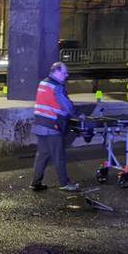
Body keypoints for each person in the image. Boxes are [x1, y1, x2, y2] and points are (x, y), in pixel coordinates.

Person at [31, 61, 80, 192]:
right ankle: (64, 183)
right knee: (59, 156)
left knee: (42, 155)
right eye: (64, 73)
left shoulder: (43, 83)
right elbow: (66, 106)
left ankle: (36, 182)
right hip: (52, 125)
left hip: (40, 124)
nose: (67, 75)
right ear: (57, 72)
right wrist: (77, 115)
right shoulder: (56, 87)